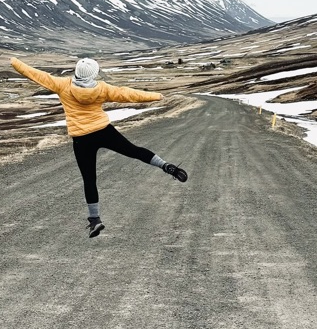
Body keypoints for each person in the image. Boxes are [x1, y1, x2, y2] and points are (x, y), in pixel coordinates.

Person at [10, 55, 187, 237]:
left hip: (81, 138)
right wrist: (156, 96)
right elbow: (128, 94)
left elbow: (35, 74)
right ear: (93, 74)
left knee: (89, 179)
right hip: (103, 131)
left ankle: (95, 220)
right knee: (134, 151)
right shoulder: (102, 89)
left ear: (77, 71)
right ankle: (165, 166)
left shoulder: (62, 85)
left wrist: (15, 61)